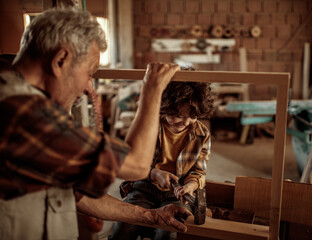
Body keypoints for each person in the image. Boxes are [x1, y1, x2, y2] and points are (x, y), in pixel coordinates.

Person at [0, 7, 191, 240]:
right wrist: (152, 89)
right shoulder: (24, 113)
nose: (89, 87)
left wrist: (151, 216)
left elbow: (77, 194)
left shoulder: (15, 87)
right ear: (60, 60)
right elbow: (137, 164)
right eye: (90, 73)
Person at [109, 76, 215, 240]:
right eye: (178, 115)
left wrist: (190, 186)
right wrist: (154, 174)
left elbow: (198, 172)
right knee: (122, 229)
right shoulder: (149, 126)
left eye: (192, 116)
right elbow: (131, 164)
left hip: (176, 195)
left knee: (168, 233)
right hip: (143, 187)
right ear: (165, 106)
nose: (185, 122)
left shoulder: (202, 135)